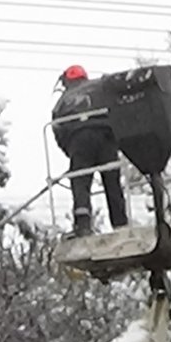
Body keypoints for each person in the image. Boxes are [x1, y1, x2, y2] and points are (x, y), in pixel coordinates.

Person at [50, 64, 128, 237]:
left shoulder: (63, 100)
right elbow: (118, 109)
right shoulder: (101, 86)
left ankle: (83, 224)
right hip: (106, 135)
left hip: (79, 140)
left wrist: (70, 149)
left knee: (80, 180)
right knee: (112, 181)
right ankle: (120, 223)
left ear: (67, 81)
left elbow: (57, 129)